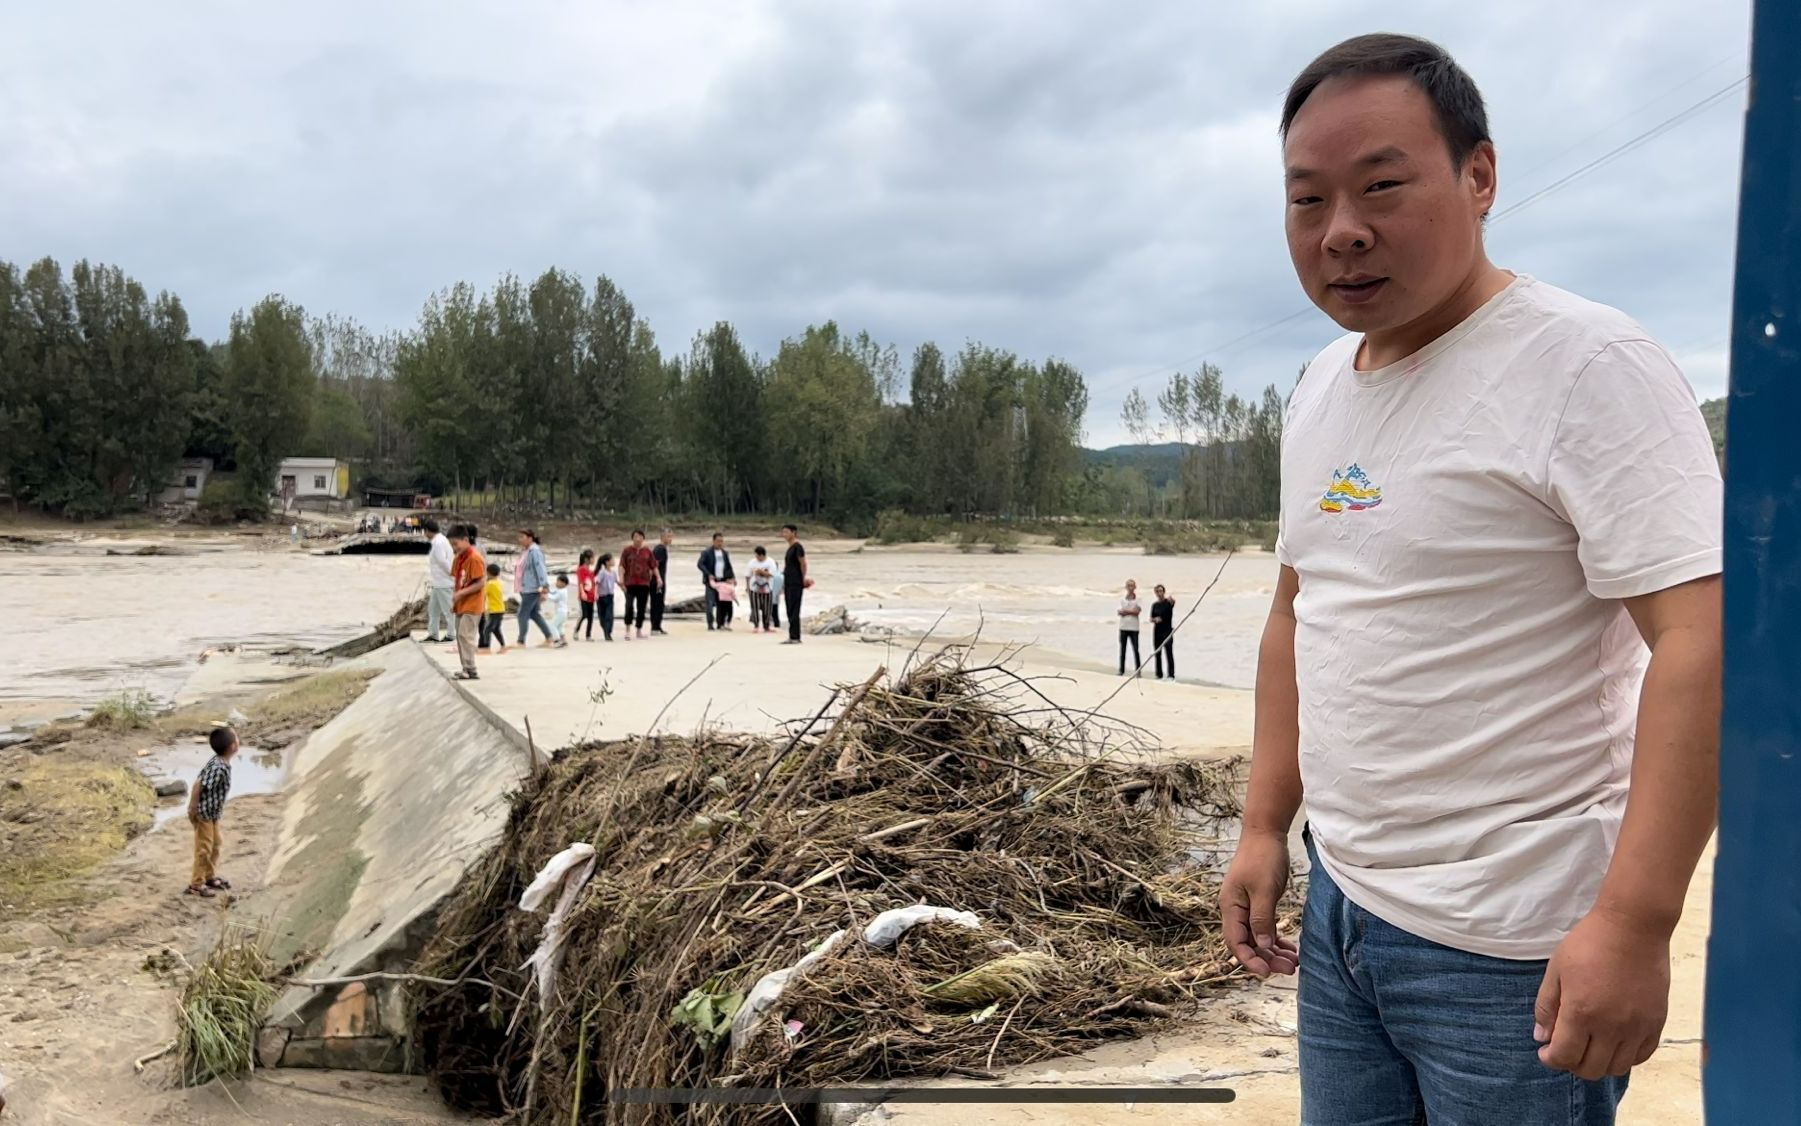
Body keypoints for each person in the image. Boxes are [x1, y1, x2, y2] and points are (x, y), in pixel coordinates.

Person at [1218, 35, 1722, 1125]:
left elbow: (1703, 642)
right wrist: (1265, 824)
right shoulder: (1318, 384)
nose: (1340, 230)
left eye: (1381, 186)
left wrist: (1634, 924)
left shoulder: (1586, 365)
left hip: (1511, 947)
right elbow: (1300, 610)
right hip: (1342, 909)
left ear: (1479, 176)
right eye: (1306, 201)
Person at [184, 725, 239, 898]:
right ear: (233, 746)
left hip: (213, 814)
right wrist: (193, 808)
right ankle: (196, 884)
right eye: (236, 738)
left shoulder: (222, 763)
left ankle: (209, 877)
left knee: (215, 844)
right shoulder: (219, 767)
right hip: (204, 814)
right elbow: (198, 784)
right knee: (204, 849)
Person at [449, 524, 487, 680]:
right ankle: (465, 667)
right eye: (452, 545)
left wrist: (461, 593)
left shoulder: (475, 558)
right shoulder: (459, 558)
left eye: (456, 544)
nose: (454, 548)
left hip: (473, 604)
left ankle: (471, 668)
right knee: (460, 635)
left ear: (466, 540)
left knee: (466, 635)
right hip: (461, 603)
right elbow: (457, 581)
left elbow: (480, 582)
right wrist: (455, 600)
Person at [515, 529, 561, 648]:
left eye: (523, 537)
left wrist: (544, 585)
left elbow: (540, 569)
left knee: (522, 614)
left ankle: (521, 641)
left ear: (530, 538)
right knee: (534, 613)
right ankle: (549, 637)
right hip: (525, 586)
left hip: (532, 588)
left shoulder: (534, 552)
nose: (520, 540)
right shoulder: (525, 551)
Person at [620, 529, 660, 640]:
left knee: (641, 608)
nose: (638, 539)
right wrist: (621, 579)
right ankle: (627, 630)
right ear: (632, 538)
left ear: (643, 538)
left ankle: (639, 630)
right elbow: (622, 565)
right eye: (635, 536)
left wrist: (659, 578)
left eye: (640, 537)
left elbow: (653, 566)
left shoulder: (647, 551)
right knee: (629, 606)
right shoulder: (627, 551)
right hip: (630, 583)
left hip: (644, 583)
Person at [423, 518, 454, 643]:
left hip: (444, 582)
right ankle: (433, 633)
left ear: (428, 531)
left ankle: (452, 634)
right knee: (433, 609)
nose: (424, 534)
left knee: (448, 610)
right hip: (438, 582)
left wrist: (451, 574)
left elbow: (442, 561)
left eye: (425, 531)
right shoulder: (439, 540)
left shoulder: (438, 543)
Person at [698, 532, 735, 630]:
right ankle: (710, 624)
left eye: (721, 541)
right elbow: (700, 564)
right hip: (711, 582)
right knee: (709, 603)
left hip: (722, 582)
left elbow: (728, 567)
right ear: (713, 541)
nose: (720, 543)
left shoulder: (725, 553)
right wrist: (708, 574)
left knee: (721, 604)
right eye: (718, 541)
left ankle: (720, 624)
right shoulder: (706, 552)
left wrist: (732, 577)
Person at [780, 524, 809, 644]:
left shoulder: (798, 547)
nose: (784, 534)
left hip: (796, 582)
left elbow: (803, 563)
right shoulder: (789, 547)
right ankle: (792, 635)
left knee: (795, 608)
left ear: (793, 533)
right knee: (789, 608)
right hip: (788, 581)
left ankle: (795, 636)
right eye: (783, 532)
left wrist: (802, 578)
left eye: (786, 532)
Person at [746, 546, 778, 633]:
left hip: (767, 588)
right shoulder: (752, 562)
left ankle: (766, 625)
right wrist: (747, 587)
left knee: (767, 608)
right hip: (754, 588)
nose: (756, 557)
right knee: (754, 607)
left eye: (758, 556)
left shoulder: (770, 562)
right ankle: (756, 625)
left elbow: (772, 574)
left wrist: (761, 572)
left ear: (762, 555)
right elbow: (748, 575)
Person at [480, 561, 509, 654]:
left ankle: (487, 648)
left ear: (488, 573)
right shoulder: (498, 583)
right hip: (500, 609)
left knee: (487, 630)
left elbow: (482, 595)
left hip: (494, 610)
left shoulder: (490, 584)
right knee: (496, 629)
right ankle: (503, 646)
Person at [1150, 584, 1176, 679]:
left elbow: (1173, 603)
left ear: (1163, 592)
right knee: (1157, 653)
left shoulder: (1168, 603)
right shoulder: (1155, 605)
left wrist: (1172, 601)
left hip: (1167, 631)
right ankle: (1159, 674)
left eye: (1161, 591)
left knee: (1169, 653)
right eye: (1157, 591)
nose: (1159, 593)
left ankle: (1171, 675)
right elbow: (1151, 618)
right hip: (1157, 631)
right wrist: (1155, 619)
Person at [1116, 579, 1142, 675]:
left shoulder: (1138, 599)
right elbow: (1120, 612)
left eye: (1132, 585)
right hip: (1123, 627)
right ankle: (1121, 670)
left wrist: (1126, 612)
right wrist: (1128, 612)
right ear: (1126, 587)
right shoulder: (1122, 599)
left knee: (1135, 649)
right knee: (1122, 650)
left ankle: (1138, 670)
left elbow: (1137, 612)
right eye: (1129, 585)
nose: (1130, 587)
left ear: (1135, 587)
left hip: (1134, 628)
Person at [650, 529, 673, 635]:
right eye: (668, 536)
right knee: (657, 603)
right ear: (662, 537)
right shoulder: (660, 549)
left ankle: (657, 626)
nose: (670, 539)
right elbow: (655, 565)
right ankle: (655, 627)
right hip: (657, 581)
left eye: (671, 536)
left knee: (659, 603)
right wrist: (657, 579)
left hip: (659, 580)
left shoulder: (661, 549)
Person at [575, 550, 599, 641]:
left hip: (591, 596)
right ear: (586, 559)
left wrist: (596, 593)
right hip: (584, 595)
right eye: (592, 558)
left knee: (590, 616)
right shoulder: (581, 569)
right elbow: (581, 582)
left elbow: (593, 583)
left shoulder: (591, 571)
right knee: (584, 614)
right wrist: (582, 592)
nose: (593, 560)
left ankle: (588, 635)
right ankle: (576, 630)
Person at [597, 552, 619, 641]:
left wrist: (625, 589)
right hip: (601, 597)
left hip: (610, 596)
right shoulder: (602, 572)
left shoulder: (613, 573)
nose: (614, 561)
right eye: (612, 560)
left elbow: (617, 582)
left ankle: (608, 633)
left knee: (609, 615)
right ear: (607, 562)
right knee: (602, 616)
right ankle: (606, 631)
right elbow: (597, 582)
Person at [549, 573, 571, 643]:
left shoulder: (561, 592)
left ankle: (557, 640)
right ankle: (563, 640)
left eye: (558, 581)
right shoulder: (562, 590)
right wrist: (547, 591)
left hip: (560, 612)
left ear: (563, 583)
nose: (556, 583)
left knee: (552, 625)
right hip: (563, 612)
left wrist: (546, 595)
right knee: (560, 626)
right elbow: (553, 592)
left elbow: (554, 598)